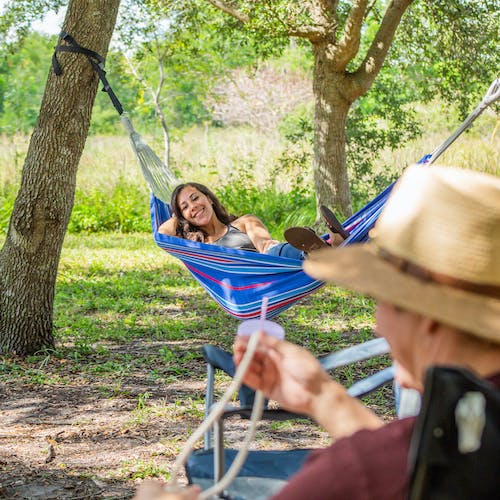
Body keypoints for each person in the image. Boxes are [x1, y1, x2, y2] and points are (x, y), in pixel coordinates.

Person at [135, 164, 500, 499]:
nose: (377, 322)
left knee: (283, 253)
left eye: (384, 297)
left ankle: (325, 249)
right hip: (253, 277)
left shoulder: (359, 471)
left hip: (272, 264)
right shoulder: (465, 436)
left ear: (428, 316)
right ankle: (330, 247)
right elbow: (409, 454)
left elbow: (387, 462)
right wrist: (324, 398)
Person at [157, 182, 346, 259]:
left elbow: (264, 245)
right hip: (245, 286)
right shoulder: (197, 246)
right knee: (302, 254)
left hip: (267, 267)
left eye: (195, 198)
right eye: (185, 207)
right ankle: (327, 246)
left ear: (209, 198)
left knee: (274, 252)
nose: (193, 206)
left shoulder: (244, 222)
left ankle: (319, 247)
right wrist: (178, 214)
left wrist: (184, 209)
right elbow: (161, 236)